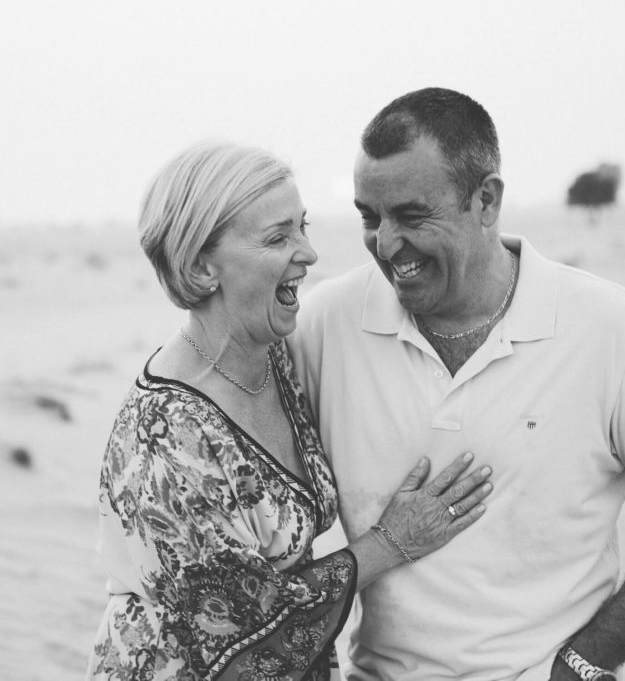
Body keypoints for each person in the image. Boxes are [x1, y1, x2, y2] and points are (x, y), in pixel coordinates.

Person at [289, 88, 625, 681]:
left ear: (487, 200)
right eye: (371, 217)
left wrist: (583, 664)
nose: (386, 245)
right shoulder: (324, 323)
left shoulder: (613, 328)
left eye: (412, 216)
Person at [85, 140, 494, 680]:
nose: (307, 252)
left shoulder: (278, 358)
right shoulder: (168, 436)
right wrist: (392, 541)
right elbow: (242, 645)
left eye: (302, 227)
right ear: (203, 266)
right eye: (278, 237)